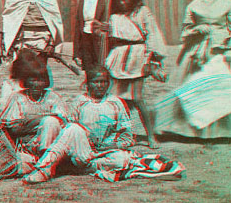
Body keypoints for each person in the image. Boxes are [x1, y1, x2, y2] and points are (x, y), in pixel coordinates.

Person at [23, 66, 184, 185]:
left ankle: (64, 166)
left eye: (103, 82)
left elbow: (128, 136)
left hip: (104, 154)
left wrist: (112, 143)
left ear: (109, 84)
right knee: (73, 129)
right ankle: (44, 169)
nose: (100, 85)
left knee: (122, 160)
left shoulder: (117, 103)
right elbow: (68, 131)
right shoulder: (80, 102)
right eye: (96, 82)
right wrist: (86, 138)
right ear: (87, 84)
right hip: (82, 150)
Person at [155, 0, 231, 139]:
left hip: (219, 51)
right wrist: (197, 29)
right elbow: (185, 30)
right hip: (197, 51)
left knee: (219, 90)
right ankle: (190, 131)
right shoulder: (194, 5)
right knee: (194, 88)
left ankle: (224, 132)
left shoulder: (228, 3)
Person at [105, 0, 167, 148]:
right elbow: (110, 40)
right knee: (119, 101)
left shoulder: (142, 12)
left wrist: (150, 59)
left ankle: (151, 136)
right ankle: (126, 134)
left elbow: (152, 34)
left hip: (137, 56)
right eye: (119, 0)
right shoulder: (115, 17)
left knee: (138, 99)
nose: (122, 3)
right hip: (119, 56)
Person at [0, 59, 68, 175]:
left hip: (51, 145)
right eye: (33, 80)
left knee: (51, 122)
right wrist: (39, 119)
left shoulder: (53, 97)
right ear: (26, 81)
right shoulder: (18, 98)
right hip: (27, 147)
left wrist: (34, 121)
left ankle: (47, 162)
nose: (37, 84)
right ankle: (43, 164)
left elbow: (64, 123)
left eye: (41, 80)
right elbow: (13, 128)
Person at [73, 0, 112, 70]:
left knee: (103, 77)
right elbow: (78, 26)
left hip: (103, 43)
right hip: (86, 42)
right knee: (90, 78)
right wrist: (76, 53)